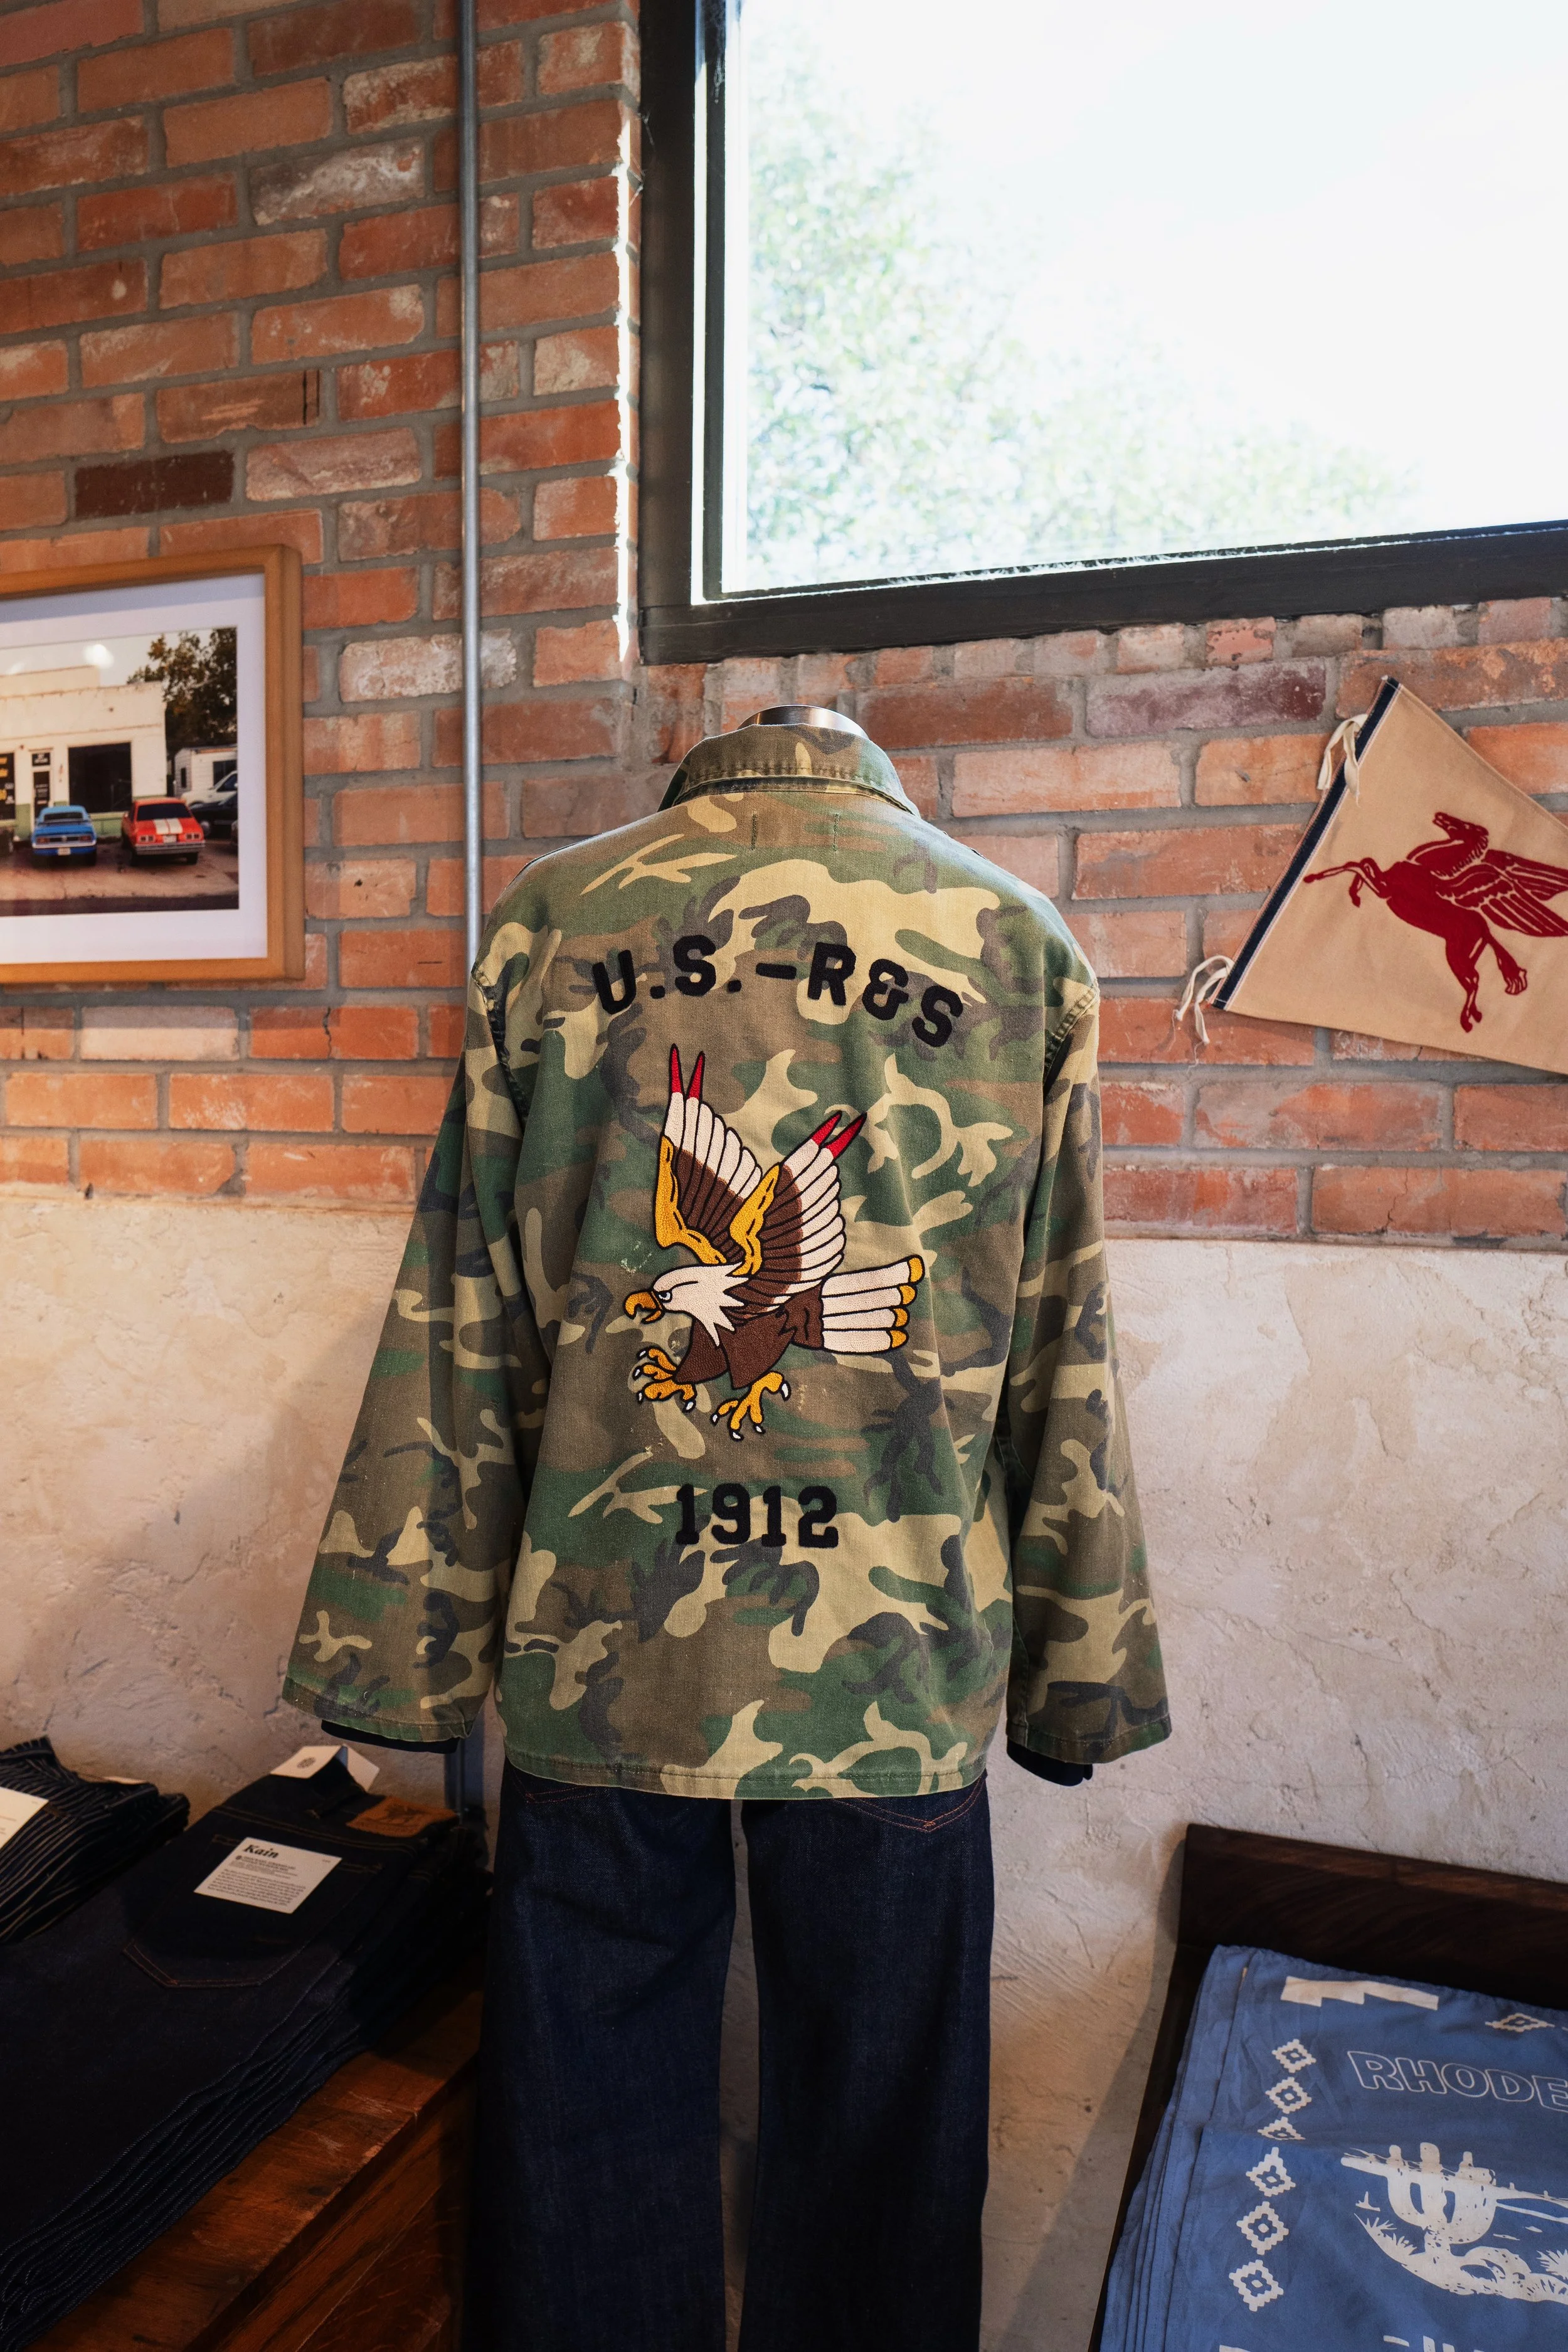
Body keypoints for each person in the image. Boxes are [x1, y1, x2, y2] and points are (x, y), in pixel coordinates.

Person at [282, 709, 1170, 2352]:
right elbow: (1063, 1335)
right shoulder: (1012, 940)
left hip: (611, 1647)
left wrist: (404, 1653)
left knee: (585, 2113)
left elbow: (459, 1311)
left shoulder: (558, 920)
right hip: (888, 1673)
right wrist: (1075, 1677)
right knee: (882, 2143)